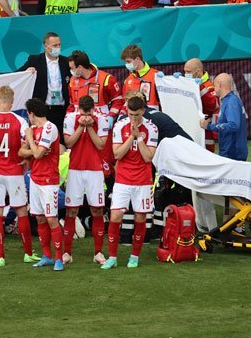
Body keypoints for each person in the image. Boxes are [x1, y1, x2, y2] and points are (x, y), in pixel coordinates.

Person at [0, 86, 41, 266]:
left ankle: (0, 257)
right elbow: (30, 140)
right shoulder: (20, 121)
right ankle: (28, 253)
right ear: (12, 101)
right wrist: (27, 157)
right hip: (14, 171)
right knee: (21, 211)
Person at [101, 96, 158, 270]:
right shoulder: (119, 126)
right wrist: (130, 138)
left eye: (136, 115)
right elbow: (117, 154)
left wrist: (139, 137)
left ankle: (134, 256)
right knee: (116, 216)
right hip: (123, 179)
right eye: (131, 114)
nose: (133, 118)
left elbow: (148, 157)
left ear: (143, 111)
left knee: (140, 217)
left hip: (142, 179)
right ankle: (112, 257)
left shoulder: (152, 128)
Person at [18, 98, 65, 271]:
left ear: (31, 113)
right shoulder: (33, 129)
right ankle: (47, 255)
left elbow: (37, 155)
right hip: (35, 178)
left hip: (49, 180)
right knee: (39, 217)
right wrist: (33, 148)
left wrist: (30, 140)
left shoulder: (50, 128)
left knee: (51, 218)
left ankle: (59, 258)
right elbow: (21, 151)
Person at [62, 95, 108, 265]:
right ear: (78, 109)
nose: (86, 115)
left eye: (89, 112)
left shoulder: (102, 119)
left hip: (95, 170)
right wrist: (81, 126)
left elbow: (101, 145)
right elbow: (68, 143)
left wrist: (89, 128)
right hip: (75, 170)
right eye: (83, 112)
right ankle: (67, 253)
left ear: (94, 109)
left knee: (97, 210)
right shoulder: (70, 118)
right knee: (71, 212)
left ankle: (98, 253)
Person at [67, 49, 123, 177]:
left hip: (101, 128)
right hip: (79, 128)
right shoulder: (72, 81)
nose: (71, 71)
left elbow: (118, 100)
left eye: (72, 68)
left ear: (80, 67)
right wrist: (68, 119)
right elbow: (71, 104)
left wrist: (111, 117)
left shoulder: (106, 79)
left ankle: (108, 191)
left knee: (105, 161)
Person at [19, 32, 70, 140]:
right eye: (55, 45)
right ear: (46, 46)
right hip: (42, 111)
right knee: (42, 141)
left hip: (62, 110)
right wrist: (27, 71)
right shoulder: (35, 60)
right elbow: (18, 75)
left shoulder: (66, 62)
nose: (58, 48)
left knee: (62, 142)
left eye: (59, 45)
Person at [200, 73, 248, 161]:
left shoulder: (230, 102)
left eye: (215, 85)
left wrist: (209, 126)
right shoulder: (229, 101)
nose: (214, 88)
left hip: (232, 153)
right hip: (231, 151)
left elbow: (233, 125)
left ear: (220, 85)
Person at [183, 58, 219, 152]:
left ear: (198, 71)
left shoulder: (209, 86)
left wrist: (201, 87)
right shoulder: (188, 83)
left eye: (188, 72)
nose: (186, 74)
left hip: (205, 130)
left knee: (207, 157)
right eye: (185, 71)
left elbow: (213, 106)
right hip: (192, 127)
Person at [121, 44, 162, 111]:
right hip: (135, 117)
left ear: (137, 59)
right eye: (125, 62)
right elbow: (125, 103)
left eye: (128, 61)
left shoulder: (156, 75)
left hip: (152, 117)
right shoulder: (128, 80)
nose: (126, 64)